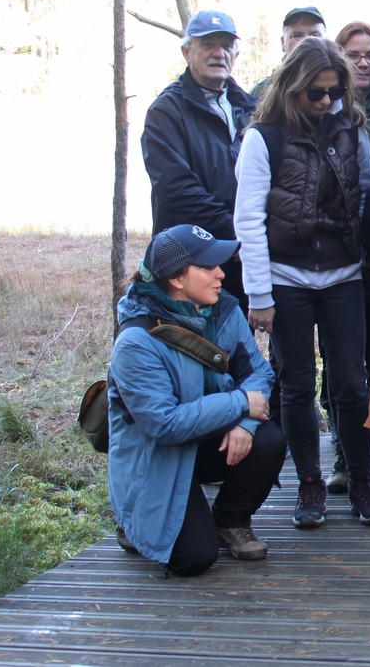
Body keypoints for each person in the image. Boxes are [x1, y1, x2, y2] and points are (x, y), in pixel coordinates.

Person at [234, 36, 370, 529]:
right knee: (297, 385)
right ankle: (309, 483)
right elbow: (248, 219)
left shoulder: (352, 127)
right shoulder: (264, 138)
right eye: (316, 93)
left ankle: (361, 478)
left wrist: (363, 254)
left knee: (350, 382)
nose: (326, 102)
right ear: (292, 88)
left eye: (334, 92)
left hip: (343, 276)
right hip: (286, 280)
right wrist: (259, 292)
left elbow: (366, 194)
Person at [108, 225, 285, 576]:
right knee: (195, 558)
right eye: (208, 267)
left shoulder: (223, 311)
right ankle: (134, 521)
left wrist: (246, 425)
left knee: (269, 440)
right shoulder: (136, 344)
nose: (221, 274)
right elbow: (165, 425)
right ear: (176, 280)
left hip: (207, 435)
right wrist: (239, 405)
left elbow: (259, 375)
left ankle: (229, 519)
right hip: (159, 456)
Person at [322, 21, 370, 494]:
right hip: (340, 253)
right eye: (355, 54)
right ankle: (346, 458)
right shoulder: (325, 108)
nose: (366, 62)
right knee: (342, 361)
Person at [141, 10, 255, 306]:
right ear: (186, 51)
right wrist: (233, 233)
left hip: (242, 257)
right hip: (189, 260)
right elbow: (176, 188)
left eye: (226, 45)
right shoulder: (166, 112)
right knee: (191, 344)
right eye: (208, 45)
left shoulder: (252, 109)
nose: (219, 53)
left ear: (236, 52)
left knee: (237, 341)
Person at [250, 6, 327, 97]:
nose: (306, 41)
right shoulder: (261, 91)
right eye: (297, 35)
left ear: (326, 42)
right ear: (283, 43)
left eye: (315, 35)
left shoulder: (338, 88)